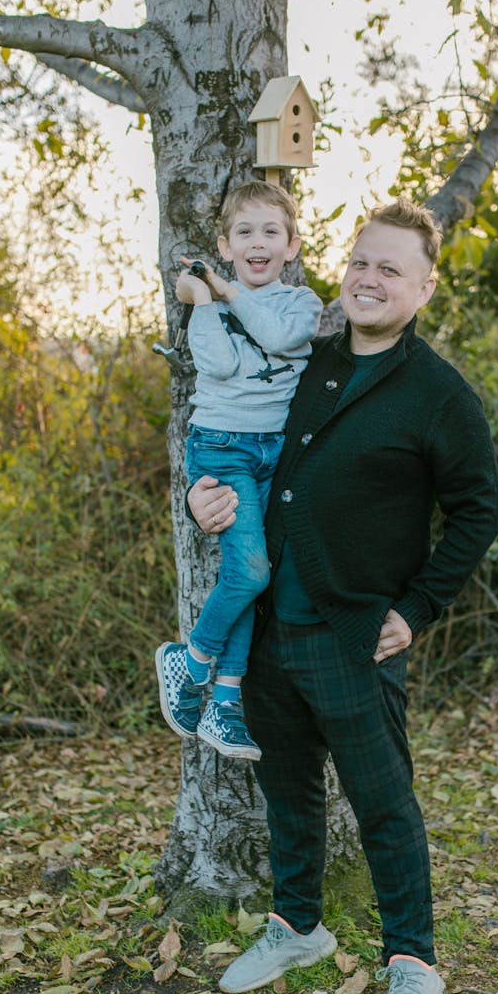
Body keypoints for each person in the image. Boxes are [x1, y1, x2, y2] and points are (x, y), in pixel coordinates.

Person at [187, 196, 498, 994]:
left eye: (390, 268)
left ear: (424, 287)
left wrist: (419, 605)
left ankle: (414, 962)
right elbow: (233, 436)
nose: (368, 278)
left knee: (382, 803)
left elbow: (480, 509)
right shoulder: (306, 360)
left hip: (355, 633)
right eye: (360, 261)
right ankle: (299, 927)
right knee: (287, 793)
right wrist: (202, 496)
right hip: (269, 628)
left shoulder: (438, 393)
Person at [156, 181, 322, 762]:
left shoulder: (302, 305)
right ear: (225, 245)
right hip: (223, 450)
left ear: (292, 245)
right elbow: (221, 364)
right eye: (245, 233)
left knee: (260, 576)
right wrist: (204, 302)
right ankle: (192, 659)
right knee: (250, 572)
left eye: (271, 232)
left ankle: (224, 703)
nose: (258, 243)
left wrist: (220, 289)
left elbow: (277, 336)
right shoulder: (210, 307)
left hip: (275, 452)